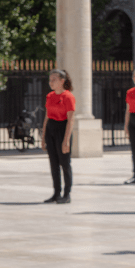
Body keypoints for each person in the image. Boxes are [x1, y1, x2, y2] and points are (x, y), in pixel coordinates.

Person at [41, 69, 75, 204]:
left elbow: (71, 120)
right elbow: (46, 117)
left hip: (63, 129)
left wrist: (66, 140)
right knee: (53, 164)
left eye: (54, 80)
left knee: (65, 164)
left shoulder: (68, 97)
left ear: (62, 81)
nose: (51, 82)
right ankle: (56, 193)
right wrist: (43, 137)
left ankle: (67, 194)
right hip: (51, 129)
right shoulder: (49, 96)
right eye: (50, 80)